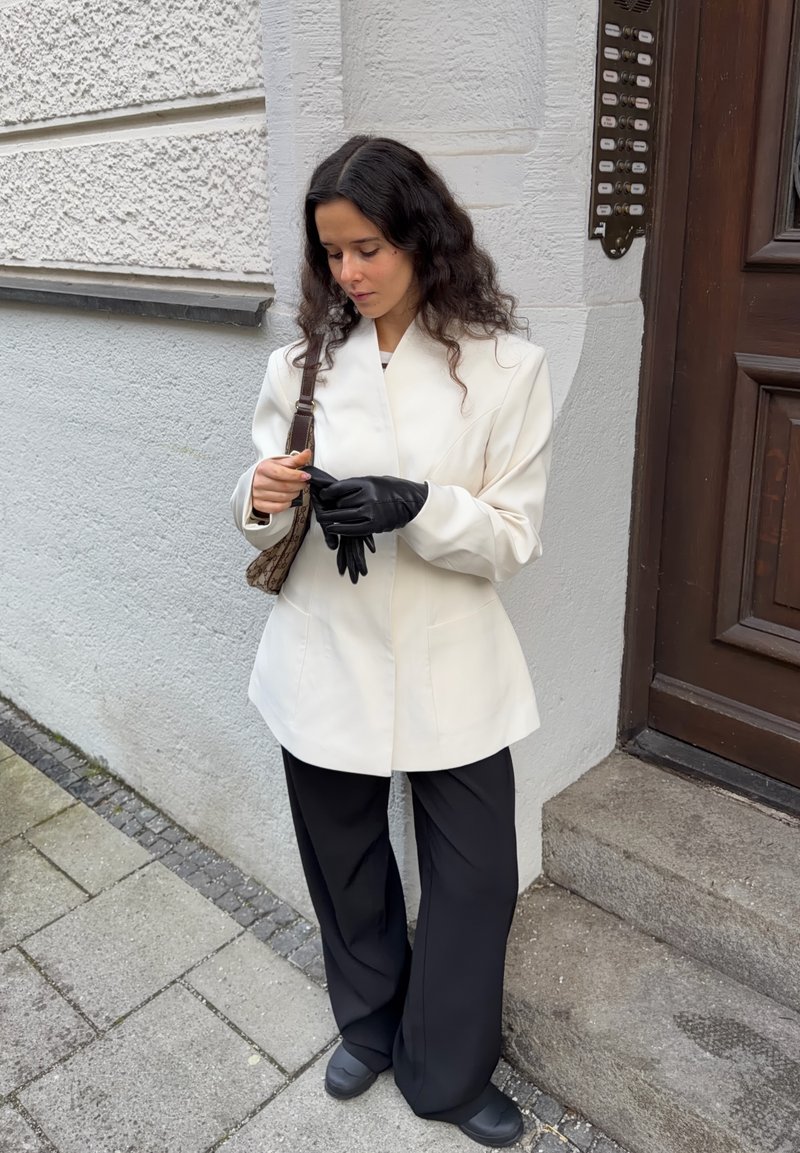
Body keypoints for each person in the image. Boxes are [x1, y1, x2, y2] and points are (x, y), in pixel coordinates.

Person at [230, 135, 553, 1148]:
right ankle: (368, 1024)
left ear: (420, 234)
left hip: (455, 662)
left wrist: (417, 507)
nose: (348, 274)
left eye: (366, 247)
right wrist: (262, 494)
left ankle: (446, 1072)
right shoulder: (301, 367)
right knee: (347, 863)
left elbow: (511, 537)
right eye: (331, 254)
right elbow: (257, 509)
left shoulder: (506, 368)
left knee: (473, 880)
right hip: (323, 653)